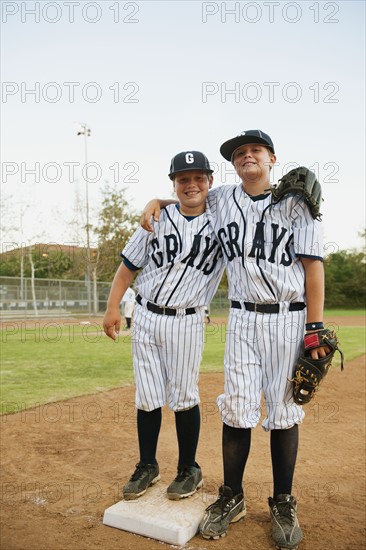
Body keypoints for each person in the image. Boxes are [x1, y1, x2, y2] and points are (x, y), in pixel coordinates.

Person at [140, 130, 327, 549]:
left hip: (288, 319)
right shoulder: (223, 198)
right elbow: (189, 201)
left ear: (272, 158)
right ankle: (232, 496)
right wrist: (157, 202)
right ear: (233, 164)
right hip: (242, 318)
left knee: (283, 410)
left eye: (254, 151)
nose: (246, 157)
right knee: (237, 409)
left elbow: (313, 268)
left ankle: (282, 502)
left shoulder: (297, 204)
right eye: (239, 153)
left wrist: (314, 328)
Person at [103, 151, 224, 502]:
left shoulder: (221, 221)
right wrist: (113, 307)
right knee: (147, 395)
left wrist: (158, 199)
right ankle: (147, 465)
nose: (191, 184)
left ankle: (189, 468)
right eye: (183, 179)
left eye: (198, 177)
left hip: (187, 319)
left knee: (184, 395)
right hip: (145, 314)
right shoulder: (155, 219)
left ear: (210, 182)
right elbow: (128, 266)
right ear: (174, 183)